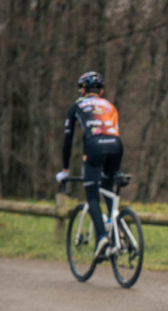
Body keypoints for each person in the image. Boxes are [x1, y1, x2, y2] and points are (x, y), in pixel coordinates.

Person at [57, 71, 123, 259]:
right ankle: (115, 228)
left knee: (92, 195)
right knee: (108, 186)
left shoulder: (76, 105)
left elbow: (67, 140)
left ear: (83, 91)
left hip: (94, 146)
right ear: (101, 91)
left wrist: (65, 170)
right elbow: (113, 131)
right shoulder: (110, 106)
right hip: (116, 146)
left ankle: (102, 236)